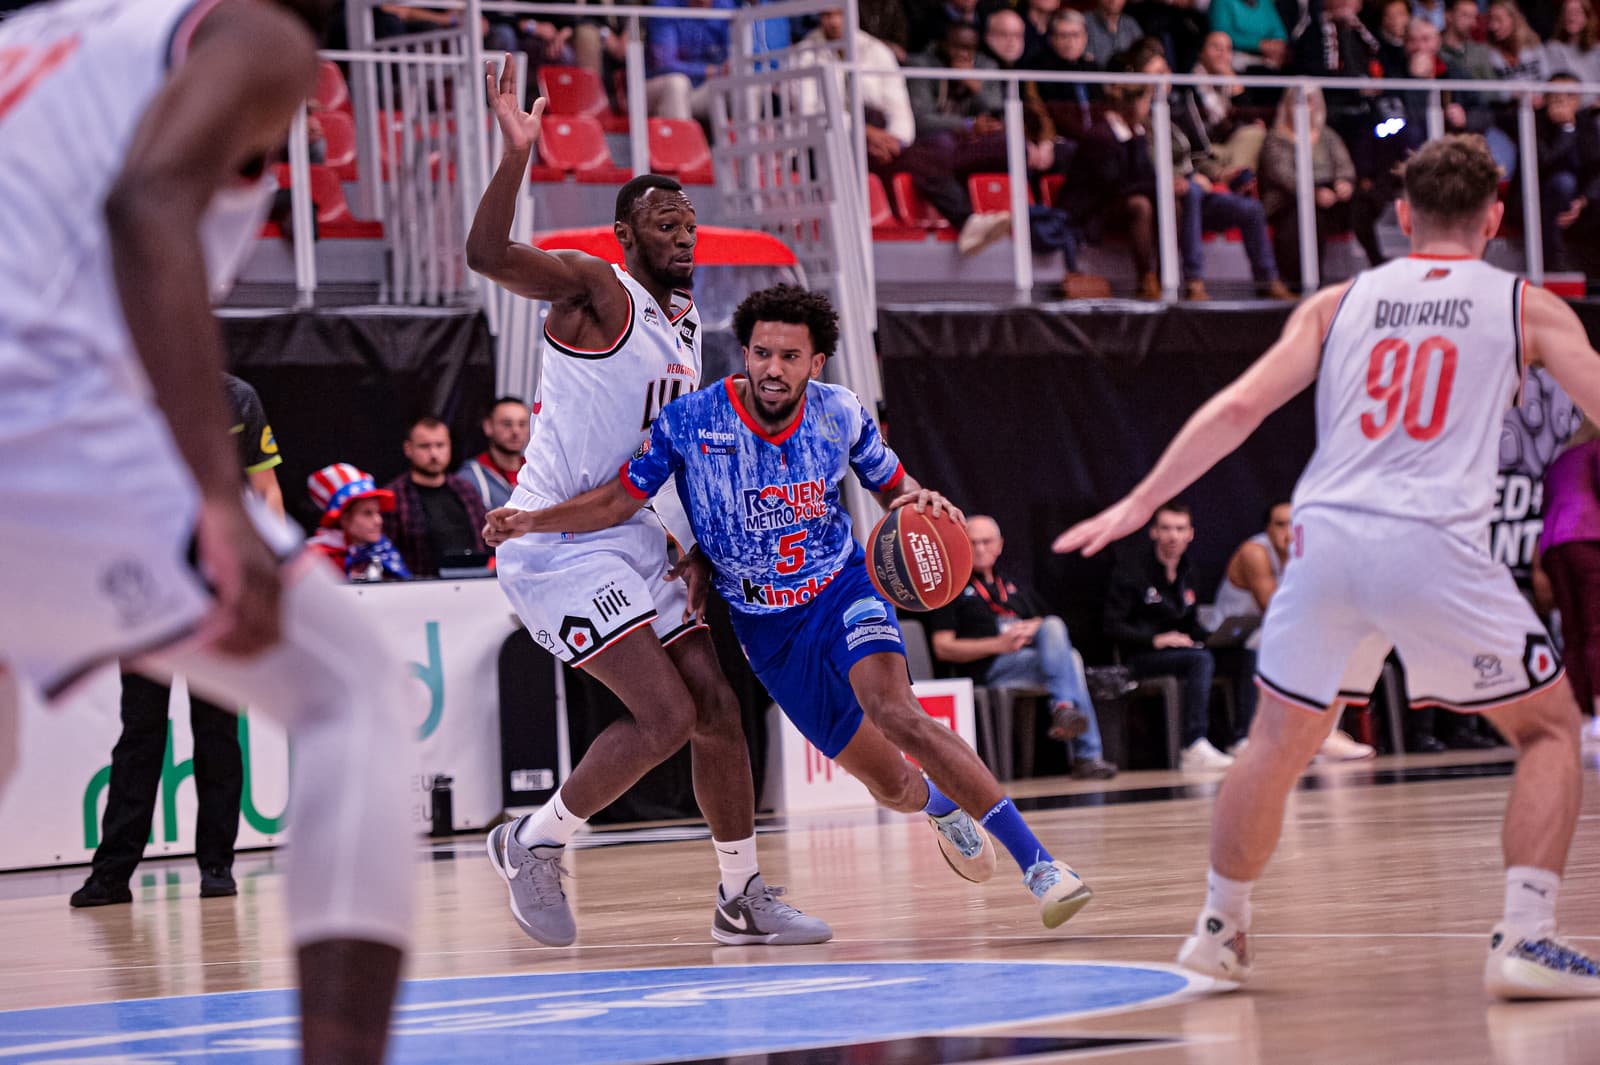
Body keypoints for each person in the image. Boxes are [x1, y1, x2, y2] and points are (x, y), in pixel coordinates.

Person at [1055, 134, 1600, 998]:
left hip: (1325, 536)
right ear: (1496, 218)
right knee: (1550, 727)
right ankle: (1528, 934)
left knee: (1275, 742)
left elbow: (1238, 407)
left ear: (1403, 214)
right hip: (1432, 540)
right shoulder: (1524, 305)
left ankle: (1219, 927)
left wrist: (1134, 503)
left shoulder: (1337, 301)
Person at [0, 1, 414, 1061]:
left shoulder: (42, 35)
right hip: (39, 411)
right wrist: (215, 493)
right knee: (349, 692)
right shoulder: (252, 37)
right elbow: (151, 203)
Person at [484, 283, 1096, 929]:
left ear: (817, 362)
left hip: (842, 588)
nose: (774, 368)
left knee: (897, 710)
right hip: (767, 628)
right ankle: (940, 805)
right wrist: (532, 520)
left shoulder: (841, 413)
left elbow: (895, 487)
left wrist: (921, 502)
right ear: (744, 354)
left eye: (790, 356)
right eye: (762, 353)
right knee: (889, 784)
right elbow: (616, 500)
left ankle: (1043, 867)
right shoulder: (692, 421)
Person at [465, 58, 831, 948]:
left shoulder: (684, 324)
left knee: (716, 709)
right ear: (625, 234)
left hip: (632, 533)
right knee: (663, 715)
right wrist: (517, 153)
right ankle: (532, 839)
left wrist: (688, 541)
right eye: (662, 220)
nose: (681, 230)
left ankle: (740, 894)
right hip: (553, 538)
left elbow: (658, 458)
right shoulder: (596, 288)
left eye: (688, 219)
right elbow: (486, 255)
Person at [70, 374, 288, 909]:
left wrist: (266, 574)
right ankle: (112, 874)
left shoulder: (239, 398)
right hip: (148, 597)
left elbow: (266, 491)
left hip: (218, 591)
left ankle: (218, 866)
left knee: (216, 732)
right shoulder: (120, 396)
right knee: (140, 733)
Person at [927, 516, 1118, 780]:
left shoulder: (1012, 586)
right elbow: (943, 647)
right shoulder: (951, 588)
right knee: (1071, 660)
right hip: (985, 669)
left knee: (1054, 629)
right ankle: (1084, 750)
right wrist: (998, 644)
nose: (980, 548)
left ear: (1000, 545)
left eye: (986, 542)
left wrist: (1033, 627)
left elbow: (1046, 624)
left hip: (1026, 661)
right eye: (973, 542)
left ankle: (1064, 709)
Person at [1214, 501, 1374, 760]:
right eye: (1280, 524)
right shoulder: (1254, 552)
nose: (1287, 531)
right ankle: (1261, 736)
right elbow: (1275, 609)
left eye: (1294, 524)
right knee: (1291, 645)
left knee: (1337, 643)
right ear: (1267, 529)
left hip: (1271, 634)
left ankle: (1322, 733)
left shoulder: (1309, 552)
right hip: (1232, 638)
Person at [1099, 502, 1239, 769]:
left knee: (1242, 656)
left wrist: (1216, 636)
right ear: (1153, 532)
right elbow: (1112, 626)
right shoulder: (1131, 571)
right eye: (1165, 528)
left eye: (1179, 529)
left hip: (1181, 652)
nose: (1173, 536)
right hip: (1140, 656)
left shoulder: (1188, 571)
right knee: (1200, 660)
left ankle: (1241, 738)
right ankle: (1193, 744)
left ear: (1190, 534)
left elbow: (1189, 622)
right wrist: (1154, 639)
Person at [1538, 419, 1600, 735]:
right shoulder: (1596, 450)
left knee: (1573, 633)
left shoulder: (1560, 460)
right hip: (1588, 539)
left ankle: (1580, 712)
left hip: (1553, 546)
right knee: (1597, 628)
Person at [382, 415, 490, 578]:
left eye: (440, 445)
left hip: (473, 583)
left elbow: (487, 538)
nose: (434, 454)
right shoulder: (395, 496)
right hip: (418, 590)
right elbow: (386, 553)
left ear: (450, 447)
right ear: (408, 449)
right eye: (424, 446)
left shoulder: (466, 490)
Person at [306, 463, 412, 582]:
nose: (378, 521)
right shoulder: (318, 561)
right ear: (344, 519)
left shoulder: (384, 550)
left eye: (378, 512)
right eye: (367, 513)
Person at [463, 396, 530, 511]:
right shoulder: (469, 478)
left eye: (522, 424)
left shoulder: (537, 472)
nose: (516, 431)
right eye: (507, 424)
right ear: (488, 426)